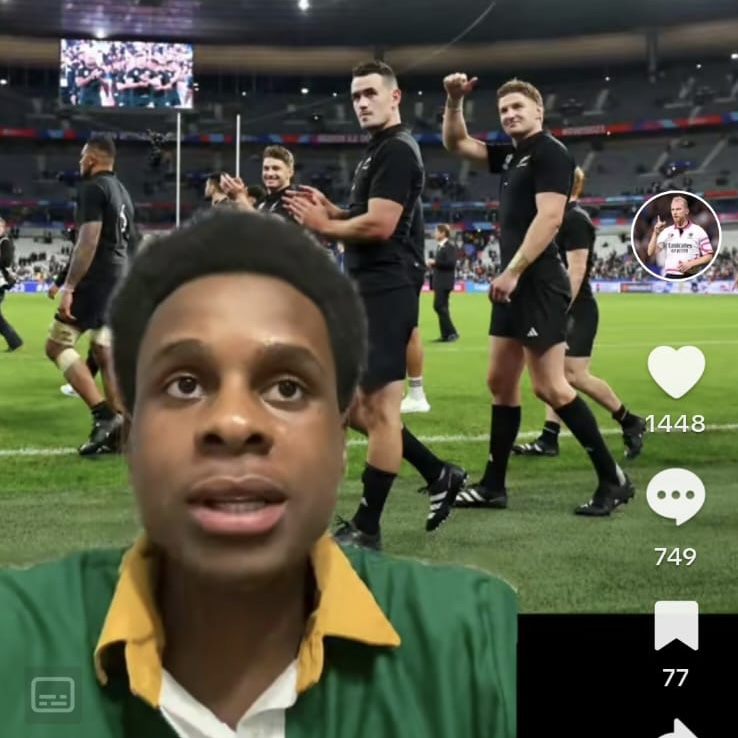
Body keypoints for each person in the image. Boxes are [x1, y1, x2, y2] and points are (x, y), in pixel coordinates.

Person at [0, 211, 517, 738]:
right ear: (131, 436)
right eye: (184, 384)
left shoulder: (477, 643)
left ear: (341, 439)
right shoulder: (19, 634)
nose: (234, 423)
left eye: (287, 388)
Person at [285, 60, 467, 546]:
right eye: (356, 96)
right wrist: (336, 211)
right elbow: (368, 215)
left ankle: (368, 526)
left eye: (370, 93)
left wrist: (326, 226)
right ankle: (438, 473)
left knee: (381, 409)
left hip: (387, 286)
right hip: (369, 285)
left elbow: (382, 225)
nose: (362, 102)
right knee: (353, 406)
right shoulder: (378, 150)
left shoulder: (398, 150)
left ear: (394, 96)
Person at [441, 74, 634, 516]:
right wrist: (453, 101)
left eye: (518, 107)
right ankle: (493, 486)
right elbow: (457, 143)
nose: (509, 114)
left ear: (539, 112)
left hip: (537, 280)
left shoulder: (550, 152)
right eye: (503, 109)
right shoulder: (513, 155)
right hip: (515, 284)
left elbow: (549, 218)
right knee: (499, 381)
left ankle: (614, 479)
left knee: (549, 386)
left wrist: (512, 271)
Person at [512, 167, 646, 459]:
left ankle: (629, 420)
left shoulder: (575, 219)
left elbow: (576, 270)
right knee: (554, 375)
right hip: (559, 306)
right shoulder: (557, 218)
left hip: (577, 308)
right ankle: (549, 438)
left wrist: (560, 309)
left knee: (573, 374)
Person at [44, 134, 137, 456]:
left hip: (96, 278)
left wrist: (69, 287)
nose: (79, 161)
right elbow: (131, 242)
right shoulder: (123, 192)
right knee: (103, 350)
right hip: (119, 278)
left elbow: (88, 241)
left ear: (93, 159)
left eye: (82, 156)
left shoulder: (92, 188)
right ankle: (124, 433)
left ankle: (104, 416)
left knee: (57, 345)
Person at [401, 200, 432, 414]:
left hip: (403, 265)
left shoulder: (398, 185)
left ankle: (416, 394)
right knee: (399, 329)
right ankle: (405, 391)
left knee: (408, 328)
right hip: (402, 264)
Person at [647, 195, 714, 279]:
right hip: (670, 276)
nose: (675, 212)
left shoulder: (698, 230)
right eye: (673, 210)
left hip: (691, 275)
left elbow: (708, 256)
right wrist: (655, 233)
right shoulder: (666, 231)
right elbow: (650, 252)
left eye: (678, 209)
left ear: (686, 211)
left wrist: (690, 264)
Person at [428, 223, 460, 343]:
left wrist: (435, 263)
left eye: (436, 231)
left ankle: (452, 332)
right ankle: (445, 334)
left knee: (438, 306)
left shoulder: (449, 247)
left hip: (444, 282)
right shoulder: (440, 247)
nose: (434, 234)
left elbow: (451, 264)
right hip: (440, 281)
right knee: (442, 307)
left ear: (443, 233)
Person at [0, 217, 23, 352]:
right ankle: (15, 341)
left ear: (3, 228)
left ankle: (15, 341)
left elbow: (6, 261)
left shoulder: (5, 242)